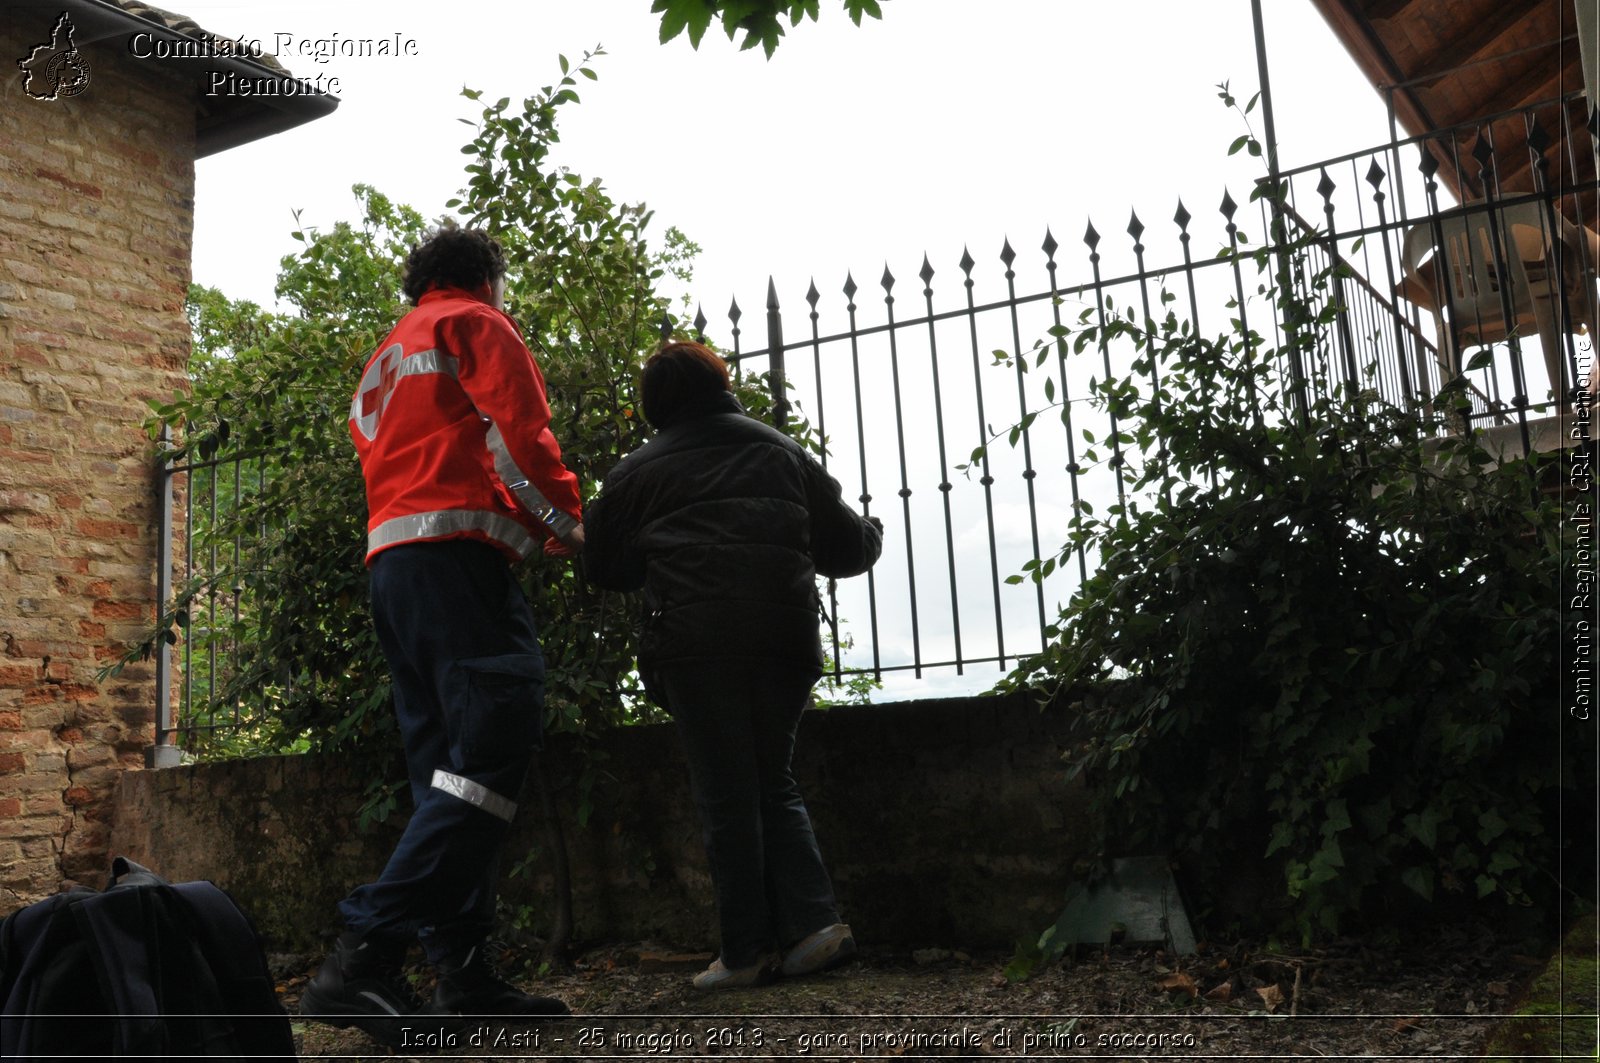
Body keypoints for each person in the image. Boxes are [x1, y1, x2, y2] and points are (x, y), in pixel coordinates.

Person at [300, 226, 583, 1037]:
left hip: (395, 569)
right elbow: (518, 438)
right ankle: (361, 954)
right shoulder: (476, 323)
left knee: (447, 779)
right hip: (458, 566)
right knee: (492, 748)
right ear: (486, 277)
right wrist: (571, 526)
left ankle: (462, 974)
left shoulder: (390, 352)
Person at [583, 340, 883, 990]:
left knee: (725, 789)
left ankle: (745, 951)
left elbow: (604, 565)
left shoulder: (637, 471)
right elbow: (848, 548)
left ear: (653, 405)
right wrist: (875, 528)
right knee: (772, 779)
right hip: (784, 638)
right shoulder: (781, 449)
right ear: (720, 382)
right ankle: (815, 928)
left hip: (696, 644)